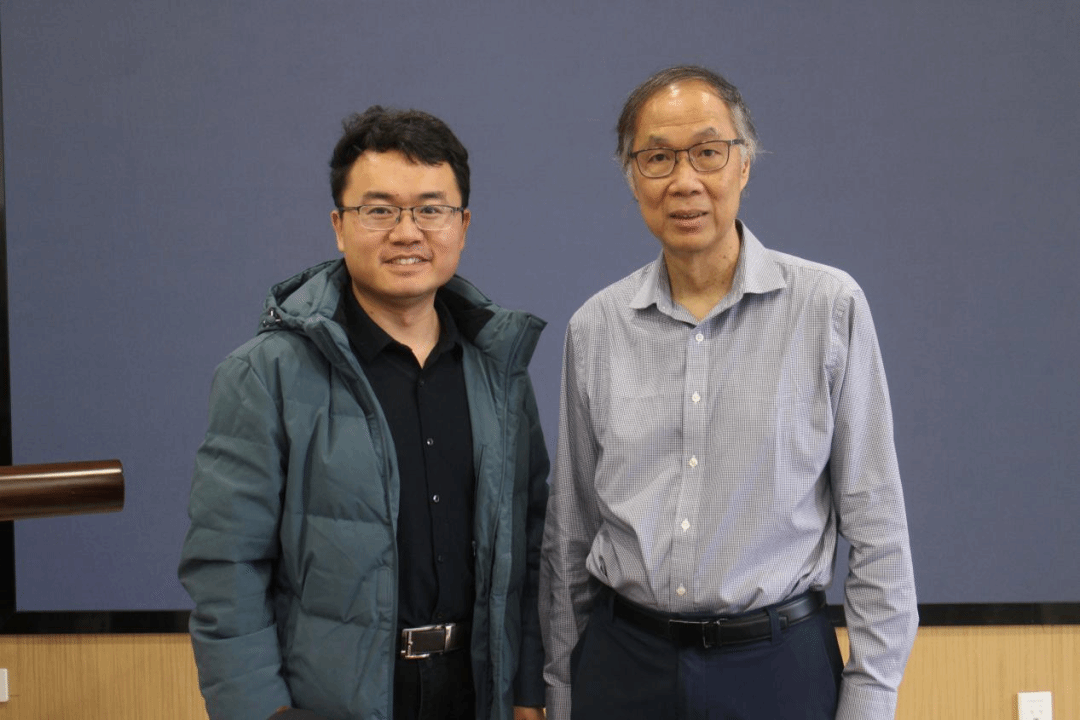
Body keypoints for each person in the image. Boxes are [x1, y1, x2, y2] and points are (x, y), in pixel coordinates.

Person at [539, 66, 918, 720]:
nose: (684, 181)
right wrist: (562, 690)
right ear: (632, 177)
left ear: (744, 165)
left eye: (708, 152)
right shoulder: (595, 328)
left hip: (777, 666)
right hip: (623, 666)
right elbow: (571, 534)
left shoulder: (828, 308)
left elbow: (878, 530)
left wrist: (870, 700)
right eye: (658, 157)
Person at [179, 106, 549, 720]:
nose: (407, 233)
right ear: (339, 225)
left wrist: (529, 690)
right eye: (379, 211)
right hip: (331, 702)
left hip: (480, 692)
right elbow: (225, 568)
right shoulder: (265, 374)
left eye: (430, 210)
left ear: (462, 225)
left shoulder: (498, 371)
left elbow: (533, 546)